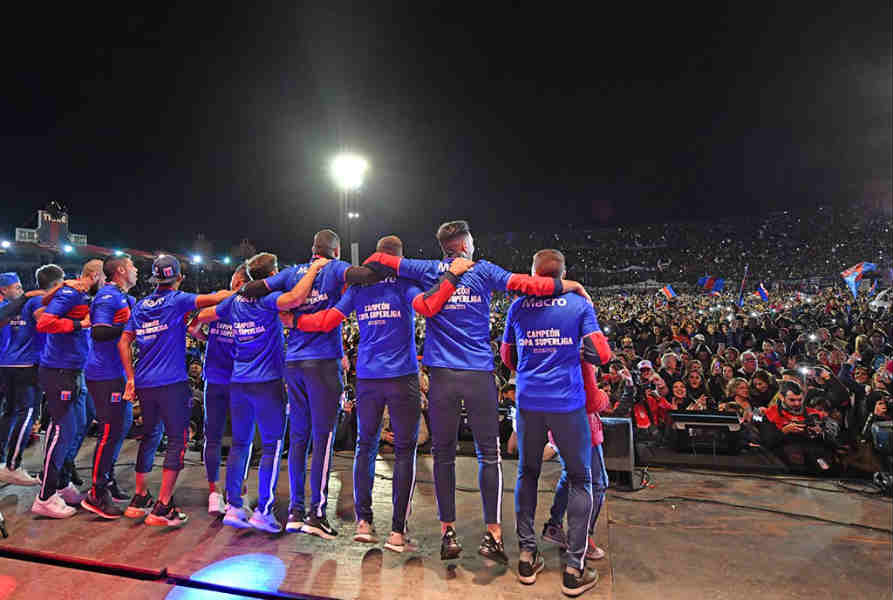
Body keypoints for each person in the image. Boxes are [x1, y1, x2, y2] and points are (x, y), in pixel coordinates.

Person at [363, 220, 591, 563]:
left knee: (443, 455)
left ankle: (448, 532)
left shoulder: (426, 269)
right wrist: (568, 284)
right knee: (488, 456)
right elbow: (526, 284)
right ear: (465, 245)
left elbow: (380, 259)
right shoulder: (483, 270)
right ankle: (492, 535)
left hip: (441, 377)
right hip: (478, 375)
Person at [294, 235, 470, 551]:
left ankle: (364, 523)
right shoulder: (405, 284)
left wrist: (294, 319)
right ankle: (398, 533)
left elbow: (327, 321)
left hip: (367, 379)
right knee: (405, 451)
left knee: (365, 446)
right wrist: (452, 277)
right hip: (402, 378)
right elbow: (427, 307)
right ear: (399, 259)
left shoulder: (359, 288)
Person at [239, 229, 384, 538]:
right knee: (323, 439)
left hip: (294, 364)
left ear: (313, 249)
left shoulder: (292, 273)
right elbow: (366, 274)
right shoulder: (334, 268)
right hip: (322, 365)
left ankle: (295, 511)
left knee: (299, 439)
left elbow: (250, 288)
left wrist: (287, 308)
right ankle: (316, 515)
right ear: (336, 250)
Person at [500, 249, 610, 596]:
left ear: (534, 275)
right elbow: (602, 354)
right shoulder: (579, 305)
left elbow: (508, 357)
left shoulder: (517, 307)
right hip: (567, 405)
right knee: (581, 479)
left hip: (529, 402)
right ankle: (574, 569)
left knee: (527, 473)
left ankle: (527, 556)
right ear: (563, 274)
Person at [192, 252, 327, 533]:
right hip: (267, 383)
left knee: (240, 444)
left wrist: (214, 313)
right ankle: (263, 511)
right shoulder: (268, 301)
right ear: (272, 275)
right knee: (272, 446)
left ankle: (233, 506)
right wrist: (314, 269)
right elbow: (295, 299)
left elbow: (202, 316)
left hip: (239, 382)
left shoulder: (235, 302)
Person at [118, 255, 233, 527]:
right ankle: (163, 506)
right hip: (171, 383)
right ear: (179, 278)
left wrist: (130, 377)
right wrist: (246, 291)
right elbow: (218, 298)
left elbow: (124, 341)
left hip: (144, 382)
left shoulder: (141, 305)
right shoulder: (178, 300)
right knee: (177, 441)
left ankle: (139, 498)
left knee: (149, 436)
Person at [32, 260, 105, 518]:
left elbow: (44, 305)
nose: (106, 283)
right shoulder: (71, 292)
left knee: (78, 425)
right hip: (59, 371)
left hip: (75, 370)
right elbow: (43, 322)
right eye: (104, 278)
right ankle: (45, 496)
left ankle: (61, 484)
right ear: (94, 275)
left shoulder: (79, 293)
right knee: (62, 430)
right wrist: (78, 325)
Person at [80, 255, 138, 519]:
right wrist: (129, 327)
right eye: (133, 267)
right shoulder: (107, 296)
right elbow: (99, 332)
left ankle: (108, 480)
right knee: (109, 431)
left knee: (121, 427)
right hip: (104, 374)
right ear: (122, 270)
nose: (136, 271)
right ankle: (96, 493)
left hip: (116, 373)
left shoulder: (123, 297)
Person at [187, 263, 248, 515]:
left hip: (214, 377)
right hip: (241, 379)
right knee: (241, 439)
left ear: (236, 281)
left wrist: (209, 337)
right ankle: (236, 490)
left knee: (211, 437)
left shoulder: (216, 302)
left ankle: (214, 492)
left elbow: (192, 328)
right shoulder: (250, 305)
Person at [0, 268, 58, 485]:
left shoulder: (10, 306)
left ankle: (3, 461)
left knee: (10, 412)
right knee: (29, 413)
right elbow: (46, 324)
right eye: (16, 287)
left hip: (7, 363)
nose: (21, 290)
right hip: (27, 364)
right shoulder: (36, 302)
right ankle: (13, 465)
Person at [760, 380, 836, 473]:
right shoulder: (771, 414)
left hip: (815, 458)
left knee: (829, 469)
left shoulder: (813, 414)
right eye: (792, 400)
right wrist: (784, 431)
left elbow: (832, 437)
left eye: (800, 400)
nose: (797, 403)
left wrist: (820, 432)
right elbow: (767, 442)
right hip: (786, 463)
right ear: (781, 397)